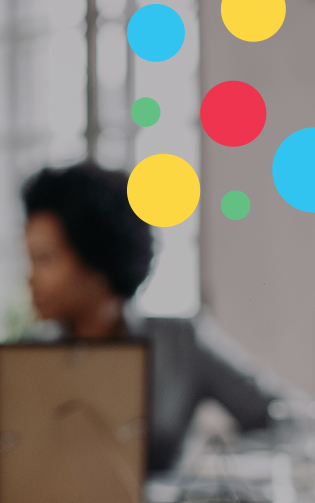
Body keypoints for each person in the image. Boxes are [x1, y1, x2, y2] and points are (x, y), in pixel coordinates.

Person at [21, 162, 300, 473]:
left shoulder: (179, 343)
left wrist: (223, 462)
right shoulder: (23, 357)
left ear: (95, 262)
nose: (29, 279)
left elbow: (286, 416)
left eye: (44, 259)